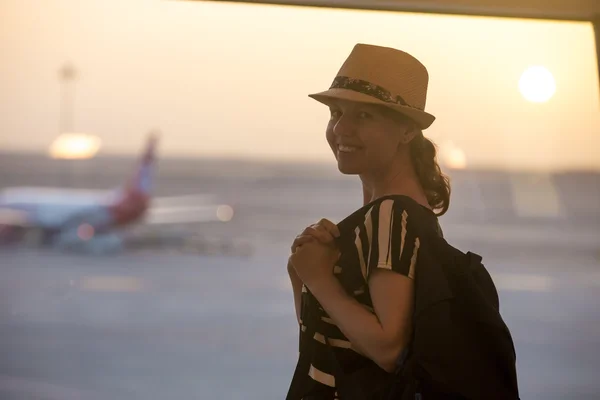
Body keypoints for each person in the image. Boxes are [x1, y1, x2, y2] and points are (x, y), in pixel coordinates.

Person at [286, 43, 451, 399]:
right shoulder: (398, 216)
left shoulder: (391, 215)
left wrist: (317, 276)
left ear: (407, 131)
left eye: (364, 116)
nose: (341, 128)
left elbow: (388, 350)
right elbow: (329, 344)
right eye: (335, 113)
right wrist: (302, 271)